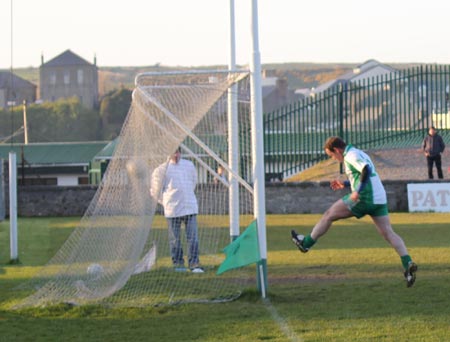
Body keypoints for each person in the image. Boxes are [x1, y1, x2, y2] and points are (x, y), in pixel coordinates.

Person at [291, 137, 418, 287]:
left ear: (337, 150)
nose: (333, 158)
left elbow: (366, 170)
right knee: (389, 233)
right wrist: (345, 183)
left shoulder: (351, 156)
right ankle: (407, 264)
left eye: (331, 155)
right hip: (379, 198)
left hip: (364, 198)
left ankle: (305, 243)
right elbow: (364, 174)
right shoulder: (358, 153)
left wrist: (357, 191)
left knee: (329, 215)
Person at [151, 147, 204, 273]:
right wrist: (166, 202)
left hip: (189, 207)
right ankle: (178, 264)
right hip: (172, 209)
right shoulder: (161, 170)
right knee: (175, 239)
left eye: (177, 152)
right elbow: (155, 191)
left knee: (193, 238)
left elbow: (193, 182)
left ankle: (194, 263)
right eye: (173, 152)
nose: (176, 155)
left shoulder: (189, 165)